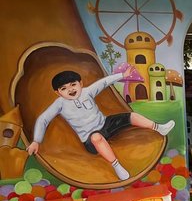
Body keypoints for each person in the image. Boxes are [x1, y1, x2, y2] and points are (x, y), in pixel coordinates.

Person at [27, 68, 175, 181]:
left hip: (105, 124)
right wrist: (36, 141)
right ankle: (117, 166)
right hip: (90, 138)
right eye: (64, 88)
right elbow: (43, 119)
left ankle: (159, 128)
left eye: (73, 84)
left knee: (131, 116)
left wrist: (122, 75)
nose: (70, 89)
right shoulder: (59, 104)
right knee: (96, 137)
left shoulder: (87, 92)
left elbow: (104, 82)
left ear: (80, 84)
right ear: (58, 92)